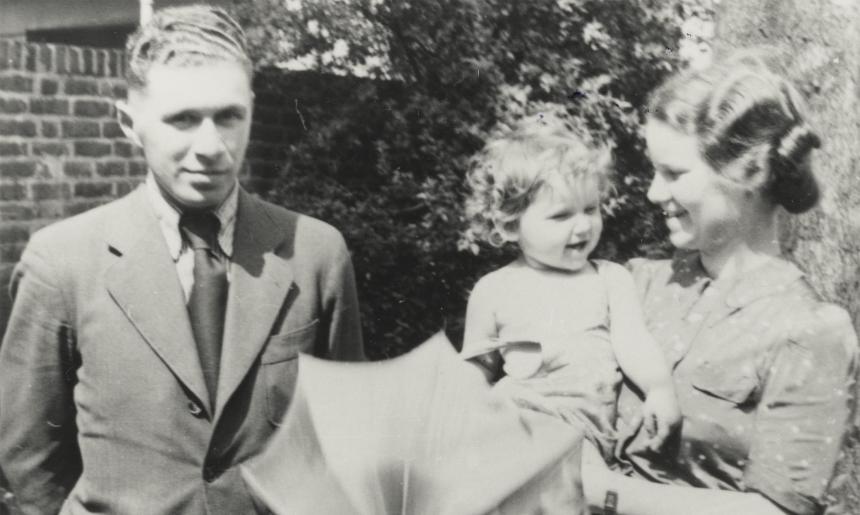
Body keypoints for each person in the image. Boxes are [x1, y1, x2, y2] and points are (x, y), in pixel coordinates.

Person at [0, 5, 364, 514]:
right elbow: (32, 458)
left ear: (251, 112)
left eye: (229, 116)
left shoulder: (315, 253)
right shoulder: (62, 264)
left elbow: (343, 438)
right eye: (184, 119)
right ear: (130, 122)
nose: (211, 146)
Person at [582, 54, 858, 515]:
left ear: (750, 172)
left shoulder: (813, 331)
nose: (653, 192)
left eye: (674, 173)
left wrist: (604, 491)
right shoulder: (633, 285)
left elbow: (778, 510)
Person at [460, 116, 681, 460]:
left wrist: (659, 389)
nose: (583, 226)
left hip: (582, 430)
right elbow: (473, 372)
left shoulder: (608, 278)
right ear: (509, 226)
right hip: (517, 420)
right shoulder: (493, 291)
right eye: (562, 216)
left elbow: (633, 342)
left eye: (590, 209)